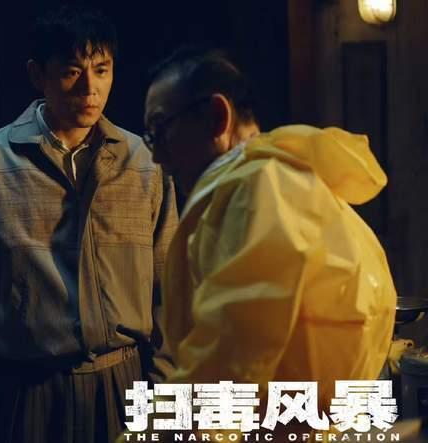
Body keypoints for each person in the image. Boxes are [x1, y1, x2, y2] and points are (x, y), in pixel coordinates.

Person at [0, 6, 177, 443]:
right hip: (26, 386)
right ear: (37, 74)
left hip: (125, 381)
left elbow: (170, 286)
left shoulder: (143, 163)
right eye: (71, 72)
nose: (90, 88)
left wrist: (167, 392)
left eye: (102, 70)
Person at [143, 48, 396, 432]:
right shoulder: (293, 180)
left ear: (216, 116)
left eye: (160, 130)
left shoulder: (257, 189)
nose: (157, 157)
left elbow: (231, 349)